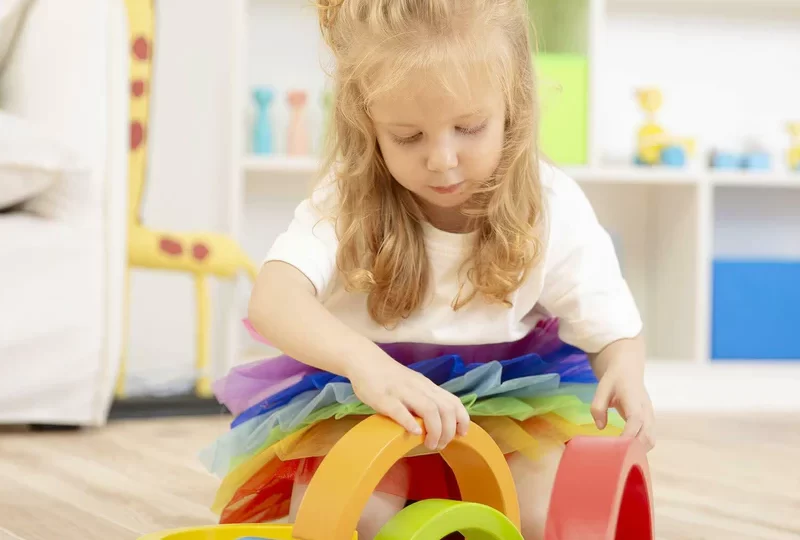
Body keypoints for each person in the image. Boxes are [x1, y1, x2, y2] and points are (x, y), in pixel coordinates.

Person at [201, 1, 655, 538]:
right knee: (353, 520)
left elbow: (612, 330)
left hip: (511, 402)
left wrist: (625, 369)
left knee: (543, 518)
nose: (442, 159)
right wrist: (366, 366)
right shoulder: (347, 200)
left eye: (468, 127)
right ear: (366, 121)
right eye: (408, 136)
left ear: (513, 105)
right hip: (369, 399)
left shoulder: (551, 204)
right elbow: (273, 301)